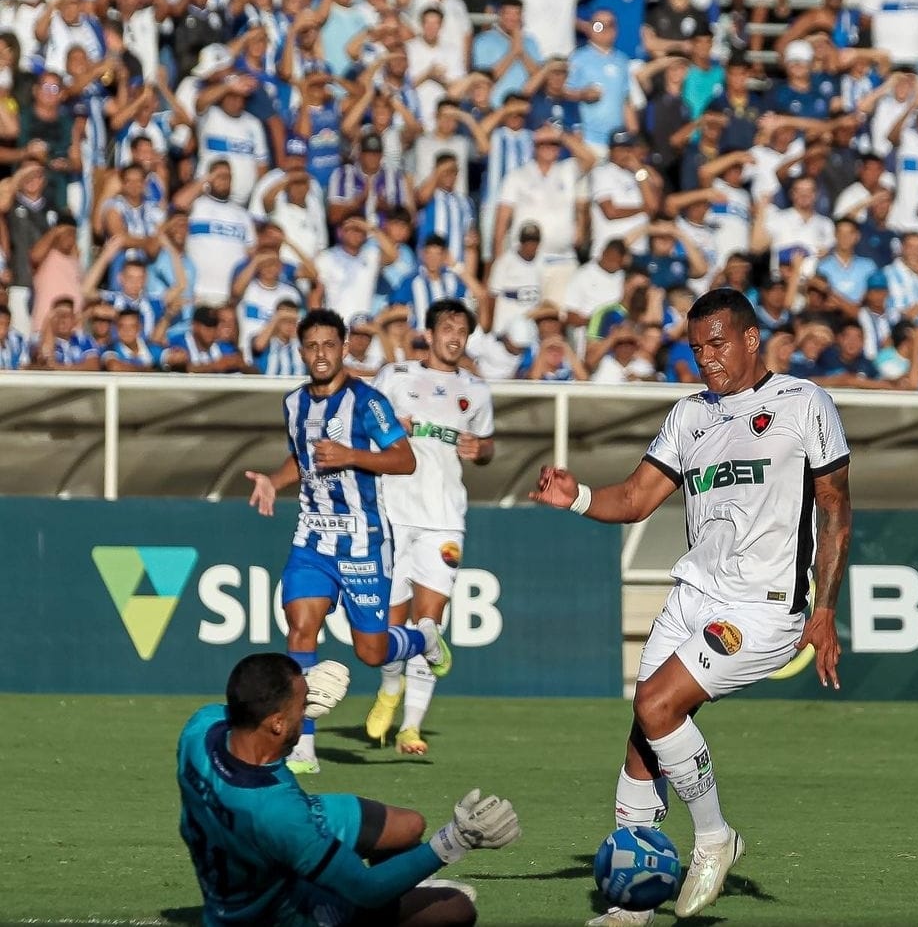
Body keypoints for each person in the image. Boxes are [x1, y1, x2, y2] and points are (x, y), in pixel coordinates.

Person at [530, 288, 852, 926]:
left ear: (751, 338)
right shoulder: (689, 415)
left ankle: (713, 835)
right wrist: (576, 497)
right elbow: (636, 497)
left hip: (761, 607)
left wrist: (826, 607)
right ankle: (633, 906)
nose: (706, 357)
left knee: (656, 705)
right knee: (642, 736)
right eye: (697, 346)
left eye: (718, 343)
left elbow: (836, 509)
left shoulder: (805, 403)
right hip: (691, 595)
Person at [245, 308, 452, 775]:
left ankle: (421, 637)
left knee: (371, 652)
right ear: (302, 351)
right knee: (300, 630)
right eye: (311, 346)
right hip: (312, 539)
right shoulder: (294, 403)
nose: (320, 354)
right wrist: (273, 483)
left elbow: (404, 460)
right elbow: (302, 460)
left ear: (342, 349)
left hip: (363, 542)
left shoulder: (367, 401)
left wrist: (352, 455)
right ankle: (302, 746)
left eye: (329, 345)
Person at [178, 651, 521, 927]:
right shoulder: (279, 815)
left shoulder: (202, 727)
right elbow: (365, 889)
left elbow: (246, 710)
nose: (308, 712)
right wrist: (453, 841)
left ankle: (399, 883)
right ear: (277, 722)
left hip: (237, 827)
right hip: (275, 909)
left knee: (408, 825)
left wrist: (298, 688)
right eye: (302, 706)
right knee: (456, 910)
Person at [365, 299, 495, 754]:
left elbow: (487, 445)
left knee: (429, 623)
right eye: (447, 328)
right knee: (389, 621)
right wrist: (386, 429)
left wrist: (481, 451)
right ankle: (388, 690)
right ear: (431, 332)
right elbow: (364, 427)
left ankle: (410, 727)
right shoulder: (395, 377)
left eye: (462, 330)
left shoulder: (475, 390)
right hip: (393, 510)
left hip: (444, 517)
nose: (454, 337)